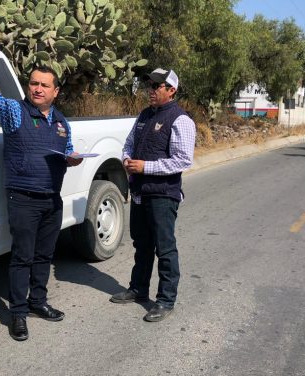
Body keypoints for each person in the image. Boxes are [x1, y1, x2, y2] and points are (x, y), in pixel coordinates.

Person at [0, 66, 82, 341]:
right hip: (24, 198)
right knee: (22, 257)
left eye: (44, 85)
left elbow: (67, 148)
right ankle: (18, 313)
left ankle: (38, 302)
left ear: (55, 91)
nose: (37, 88)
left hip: (52, 198)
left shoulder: (61, 121)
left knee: (44, 256)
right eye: (33, 83)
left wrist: (72, 157)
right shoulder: (16, 112)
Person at [110, 68, 195, 322]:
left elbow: (183, 160)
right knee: (142, 244)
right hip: (140, 193)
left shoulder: (181, 120)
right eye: (150, 85)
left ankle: (166, 299)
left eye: (158, 86)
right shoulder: (145, 115)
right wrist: (126, 158)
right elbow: (129, 143)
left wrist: (146, 167)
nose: (152, 90)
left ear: (171, 90)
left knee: (165, 248)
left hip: (162, 195)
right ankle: (138, 288)